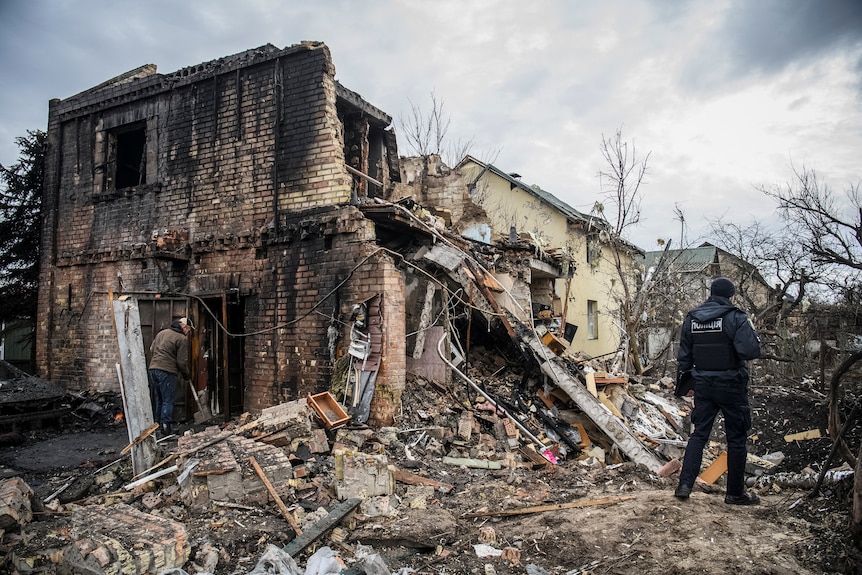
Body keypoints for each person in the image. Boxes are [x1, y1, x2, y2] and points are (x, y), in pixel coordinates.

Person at [674, 277, 762, 505]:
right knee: (736, 438)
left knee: (699, 434)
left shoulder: (692, 318)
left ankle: (684, 486)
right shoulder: (736, 317)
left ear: (711, 294)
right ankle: (734, 493)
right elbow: (750, 351)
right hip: (731, 385)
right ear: (731, 296)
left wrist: (688, 384)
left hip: (703, 385)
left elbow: (684, 357)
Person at [148, 317, 194, 436]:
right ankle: (166, 428)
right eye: (188, 329)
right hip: (167, 371)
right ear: (184, 327)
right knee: (168, 400)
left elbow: (151, 349)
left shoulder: (162, 333)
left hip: (153, 369)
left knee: (160, 399)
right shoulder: (181, 338)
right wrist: (186, 375)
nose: (188, 332)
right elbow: (181, 362)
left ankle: (157, 425)